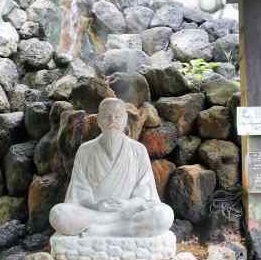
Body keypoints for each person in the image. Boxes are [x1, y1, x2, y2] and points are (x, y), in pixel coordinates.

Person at [49, 97, 175, 238]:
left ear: (125, 119)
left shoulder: (138, 150)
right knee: (59, 214)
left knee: (164, 214)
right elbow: (78, 193)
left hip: (127, 212)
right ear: (98, 120)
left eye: (118, 116)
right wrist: (96, 205)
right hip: (95, 212)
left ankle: (107, 231)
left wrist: (127, 205)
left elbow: (145, 195)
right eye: (106, 116)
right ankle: (117, 226)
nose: (112, 121)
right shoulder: (85, 150)